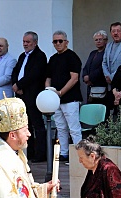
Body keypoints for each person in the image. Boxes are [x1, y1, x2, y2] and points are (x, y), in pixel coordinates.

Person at [45, 30, 83, 162]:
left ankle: (79, 155)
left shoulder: (72, 57)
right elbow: (48, 78)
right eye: (55, 41)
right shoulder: (53, 58)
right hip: (56, 100)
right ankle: (64, 153)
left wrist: (60, 92)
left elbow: (74, 78)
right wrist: (48, 91)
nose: (58, 43)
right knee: (60, 127)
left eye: (60, 41)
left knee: (74, 128)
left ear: (66, 42)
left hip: (70, 99)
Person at [11, 32, 48, 162]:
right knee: (26, 125)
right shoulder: (22, 56)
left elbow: (34, 75)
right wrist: (15, 84)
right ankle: (30, 152)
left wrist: (20, 85)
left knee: (37, 125)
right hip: (21, 95)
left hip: (33, 95)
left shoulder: (40, 56)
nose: (25, 44)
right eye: (24, 42)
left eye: (28, 42)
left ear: (35, 42)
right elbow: (16, 71)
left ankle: (41, 154)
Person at [82, 30, 108, 104]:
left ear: (105, 41)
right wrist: (84, 76)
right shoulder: (93, 53)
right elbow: (86, 67)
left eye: (100, 39)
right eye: (96, 40)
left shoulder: (106, 53)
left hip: (101, 87)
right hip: (90, 88)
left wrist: (90, 77)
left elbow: (102, 68)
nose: (98, 41)